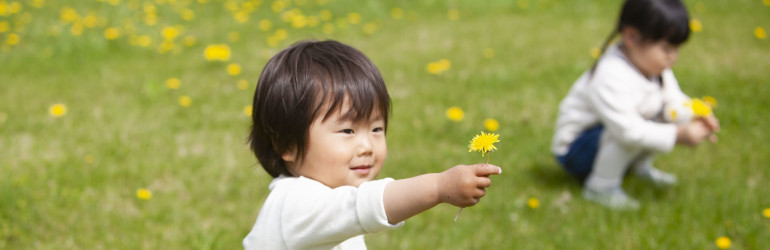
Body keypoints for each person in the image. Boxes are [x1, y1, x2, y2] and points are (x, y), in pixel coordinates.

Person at [243, 40, 502, 249]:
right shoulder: (294, 205)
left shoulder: (329, 199)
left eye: (377, 129)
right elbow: (365, 205)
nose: (367, 146)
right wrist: (437, 187)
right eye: (347, 130)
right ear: (287, 144)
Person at [551, 0, 720, 210]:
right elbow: (627, 131)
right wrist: (678, 134)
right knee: (633, 128)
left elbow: (672, 100)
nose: (673, 58)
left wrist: (693, 116)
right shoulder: (610, 75)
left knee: (656, 117)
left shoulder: (653, 67)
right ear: (632, 37)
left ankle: (636, 167)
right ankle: (600, 187)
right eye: (666, 48)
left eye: (676, 49)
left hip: (608, 137)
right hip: (577, 151)